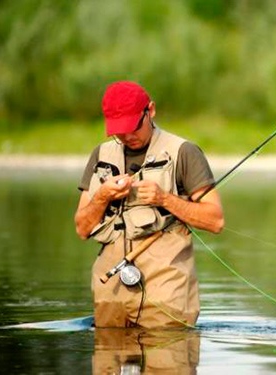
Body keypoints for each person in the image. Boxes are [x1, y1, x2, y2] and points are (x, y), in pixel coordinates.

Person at [74, 81, 224, 328]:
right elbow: (82, 229)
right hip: (109, 292)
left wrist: (164, 199)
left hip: (167, 294)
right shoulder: (100, 155)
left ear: (150, 111)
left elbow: (215, 220)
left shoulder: (184, 152)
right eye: (119, 131)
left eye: (133, 127)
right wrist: (102, 196)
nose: (128, 137)